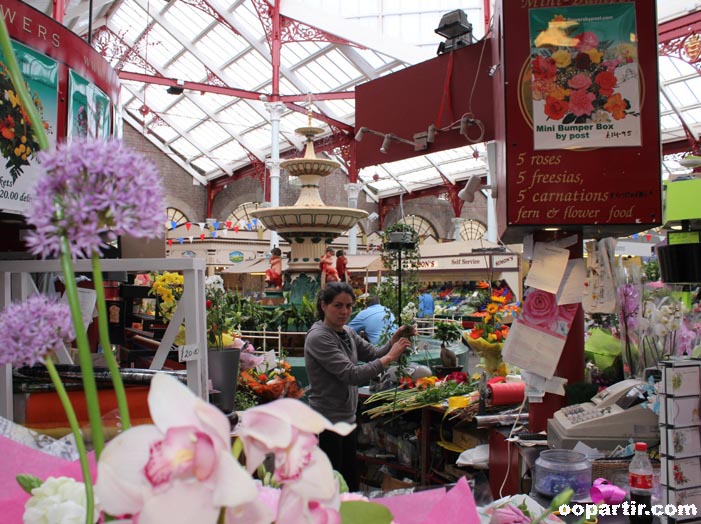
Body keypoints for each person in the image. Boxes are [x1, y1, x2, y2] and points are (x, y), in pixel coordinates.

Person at [304, 282, 415, 491]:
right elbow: (351, 374)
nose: (344, 311)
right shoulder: (319, 337)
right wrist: (390, 357)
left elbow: (373, 354)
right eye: (338, 305)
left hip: (347, 418)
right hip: (327, 422)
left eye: (348, 306)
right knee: (331, 485)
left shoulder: (347, 332)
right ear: (323, 306)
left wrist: (393, 342)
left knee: (349, 481)